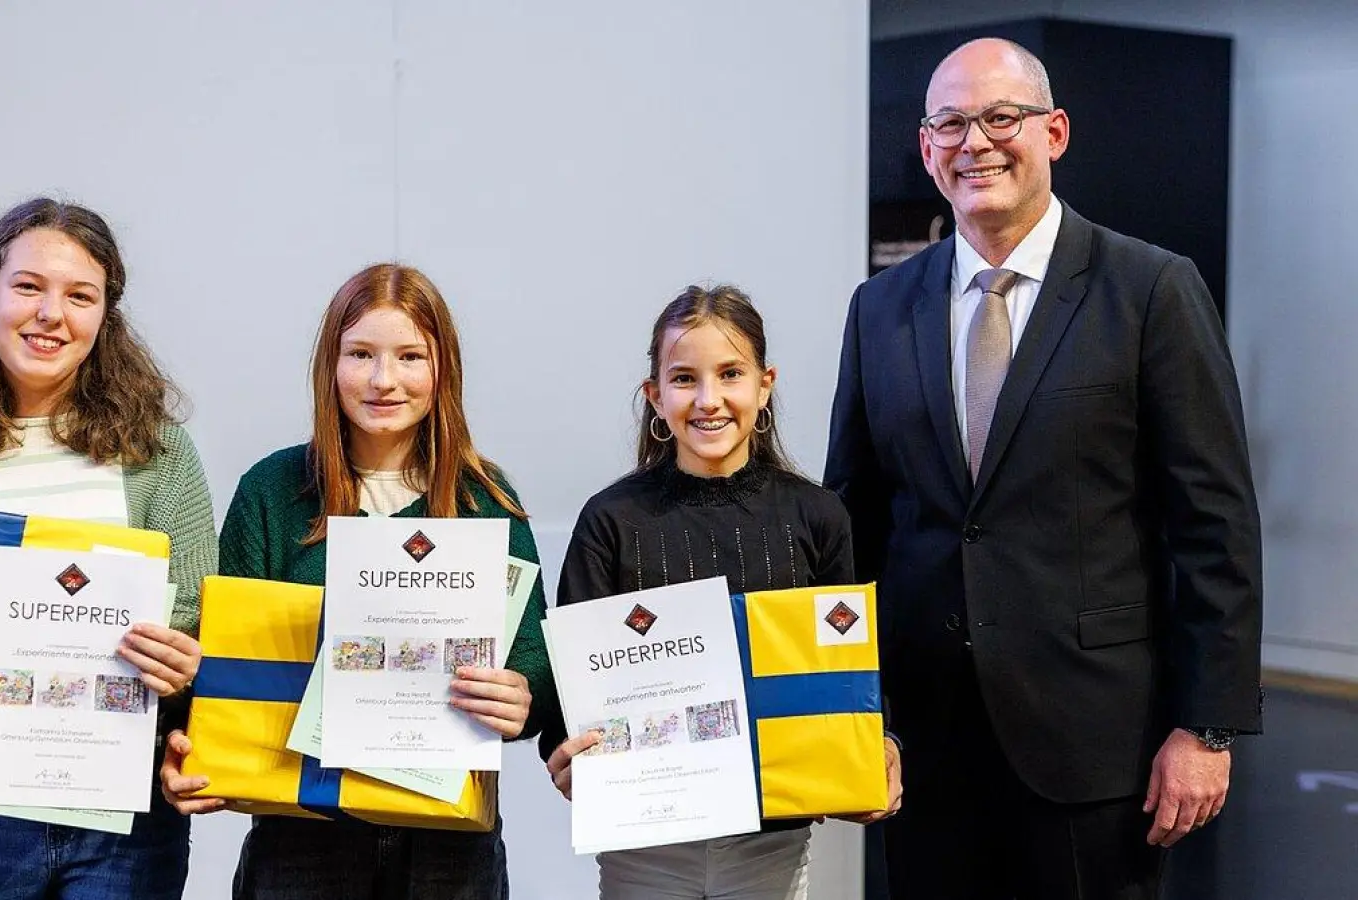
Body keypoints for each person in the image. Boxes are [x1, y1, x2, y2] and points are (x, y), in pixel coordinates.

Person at [823, 38, 1263, 899]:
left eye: (1001, 117)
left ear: (1053, 132)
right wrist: (846, 711)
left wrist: (1206, 729)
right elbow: (855, 524)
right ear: (925, 148)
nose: (975, 142)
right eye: (950, 123)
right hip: (927, 747)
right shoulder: (879, 308)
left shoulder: (1150, 290)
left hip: (1097, 747)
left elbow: (1214, 526)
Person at [160, 263, 557, 899]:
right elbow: (216, 657)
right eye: (361, 354)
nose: (383, 380)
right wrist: (183, 745)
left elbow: (535, 659)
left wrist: (522, 696)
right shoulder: (272, 490)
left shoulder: (485, 497)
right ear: (330, 365)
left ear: (442, 370)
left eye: (409, 357)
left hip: (448, 848)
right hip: (302, 838)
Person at [0, 197, 219, 898]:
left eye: (80, 295)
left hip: (121, 820)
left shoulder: (159, 458)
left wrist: (188, 671)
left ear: (104, 317)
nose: (50, 313)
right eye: (28, 286)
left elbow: (201, 635)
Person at [543, 284, 903, 900]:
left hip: (772, 845)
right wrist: (562, 752)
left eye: (730, 374)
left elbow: (849, 668)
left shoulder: (817, 517)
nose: (709, 400)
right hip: (644, 847)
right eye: (684, 379)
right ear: (655, 397)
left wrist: (879, 746)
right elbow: (566, 688)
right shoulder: (611, 521)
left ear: (765, 386)